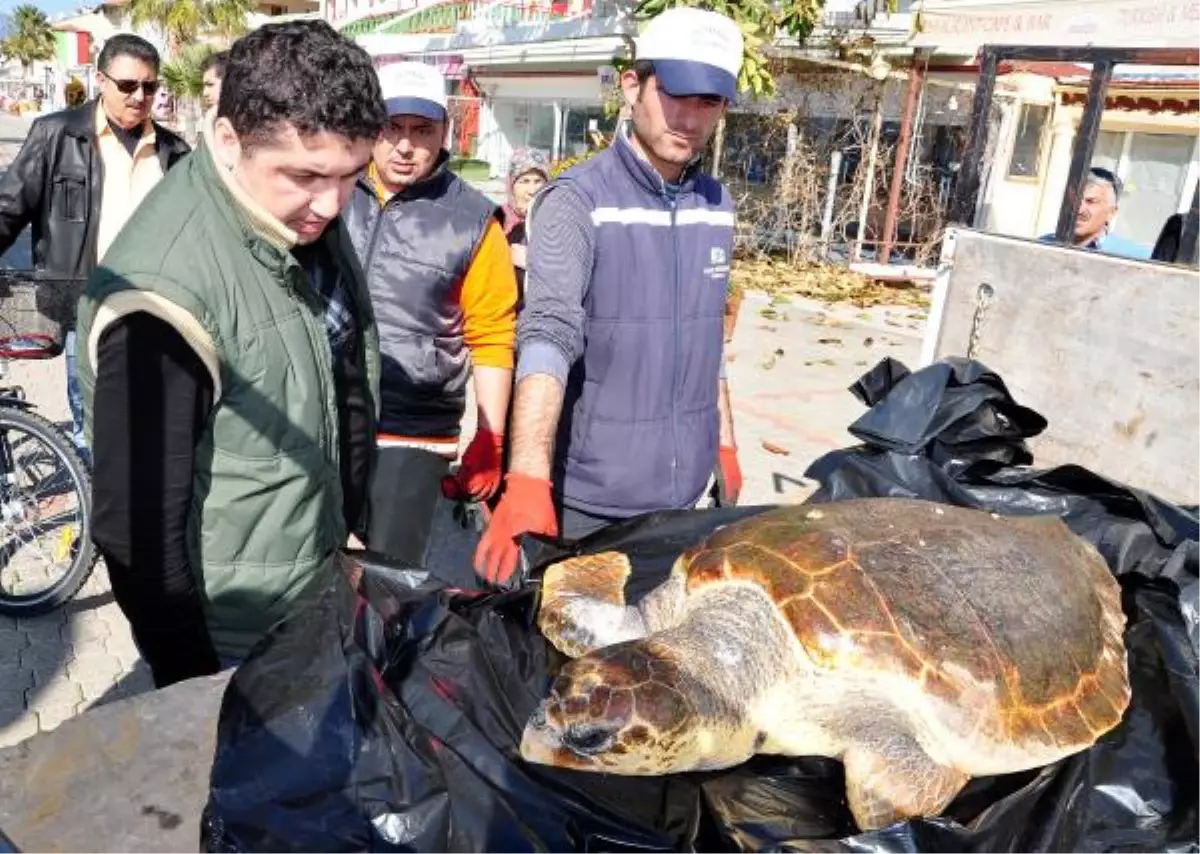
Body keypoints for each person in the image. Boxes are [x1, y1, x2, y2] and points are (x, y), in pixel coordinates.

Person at [76, 20, 388, 688]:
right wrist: (195, 689)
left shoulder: (290, 209)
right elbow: (136, 535)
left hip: (316, 593)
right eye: (306, 175)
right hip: (233, 651)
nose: (332, 205)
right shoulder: (164, 294)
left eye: (351, 175)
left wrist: (344, 530)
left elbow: (334, 386)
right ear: (227, 139)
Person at [474, 6, 745, 583]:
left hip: (682, 503)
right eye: (676, 94)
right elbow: (547, 331)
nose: (690, 118)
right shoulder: (577, 200)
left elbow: (707, 336)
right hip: (591, 505)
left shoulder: (715, 205)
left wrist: (722, 442)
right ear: (632, 86)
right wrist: (525, 477)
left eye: (710, 102)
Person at [341, 61, 518, 568]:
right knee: (316, 568)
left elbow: (492, 334)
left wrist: (491, 435)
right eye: (392, 127)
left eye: (422, 131)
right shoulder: (332, 189)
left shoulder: (473, 221)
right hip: (327, 415)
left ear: (445, 133)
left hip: (412, 430)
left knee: (390, 579)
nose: (404, 145)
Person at [0, 34, 190, 464]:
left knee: (152, 416)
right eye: (127, 85)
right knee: (90, 416)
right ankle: (98, 505)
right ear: (100, 81)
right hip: (84, 304)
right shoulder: (56, 134)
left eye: (149, 86)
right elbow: (9, 207)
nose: (139, 97)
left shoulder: (174, 152)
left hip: (156, 310)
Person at [1038, 167, 1150, 259]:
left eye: (1091, 201)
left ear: (1111, 212)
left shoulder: (1133, 258)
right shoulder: (1043, 246)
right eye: (1073, 201)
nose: (1079, 210)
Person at [498, 147, 550, 298]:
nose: (532, 190)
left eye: (538, 181)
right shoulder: (497, 219)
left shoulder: (554, 222)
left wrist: (531, 260)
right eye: (524, 181)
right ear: (511, 186)